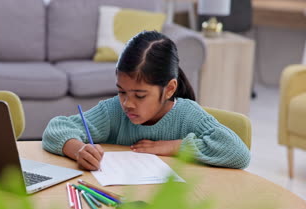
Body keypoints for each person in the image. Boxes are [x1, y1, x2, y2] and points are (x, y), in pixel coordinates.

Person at [42, 30, 250, 171]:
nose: (127, 103)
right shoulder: (114, 111)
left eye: (140, 95)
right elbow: (56, 129)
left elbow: (238, 154)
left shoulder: (187, 115)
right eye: (122, 92)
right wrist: (78, 150)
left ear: (169, 89)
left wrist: (175, 146)